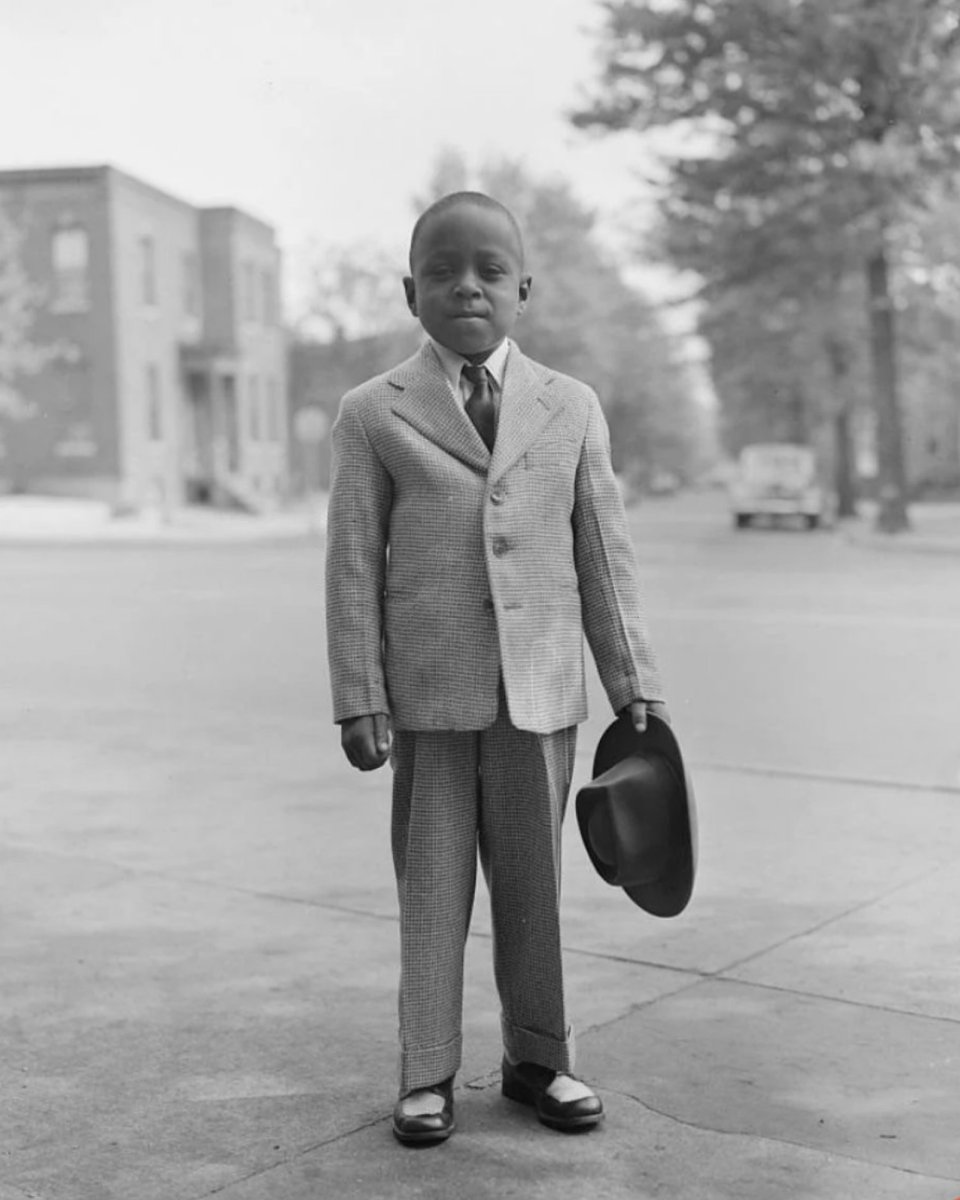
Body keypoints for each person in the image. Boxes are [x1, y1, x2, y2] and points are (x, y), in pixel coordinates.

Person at [325, 191, 669, 1145]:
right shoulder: (372, 414)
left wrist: (632, 679)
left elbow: (603, 553)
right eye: (442, 272)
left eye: (487, 271)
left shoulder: (571, 407)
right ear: (410, 291)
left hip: (542, 695)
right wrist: (359, 695)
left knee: (534, 891)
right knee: (431, 893)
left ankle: (540, 1059)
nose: (465, 286)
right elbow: (353, 562)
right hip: (428, 702)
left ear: (524, 287)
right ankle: (426, 1072)